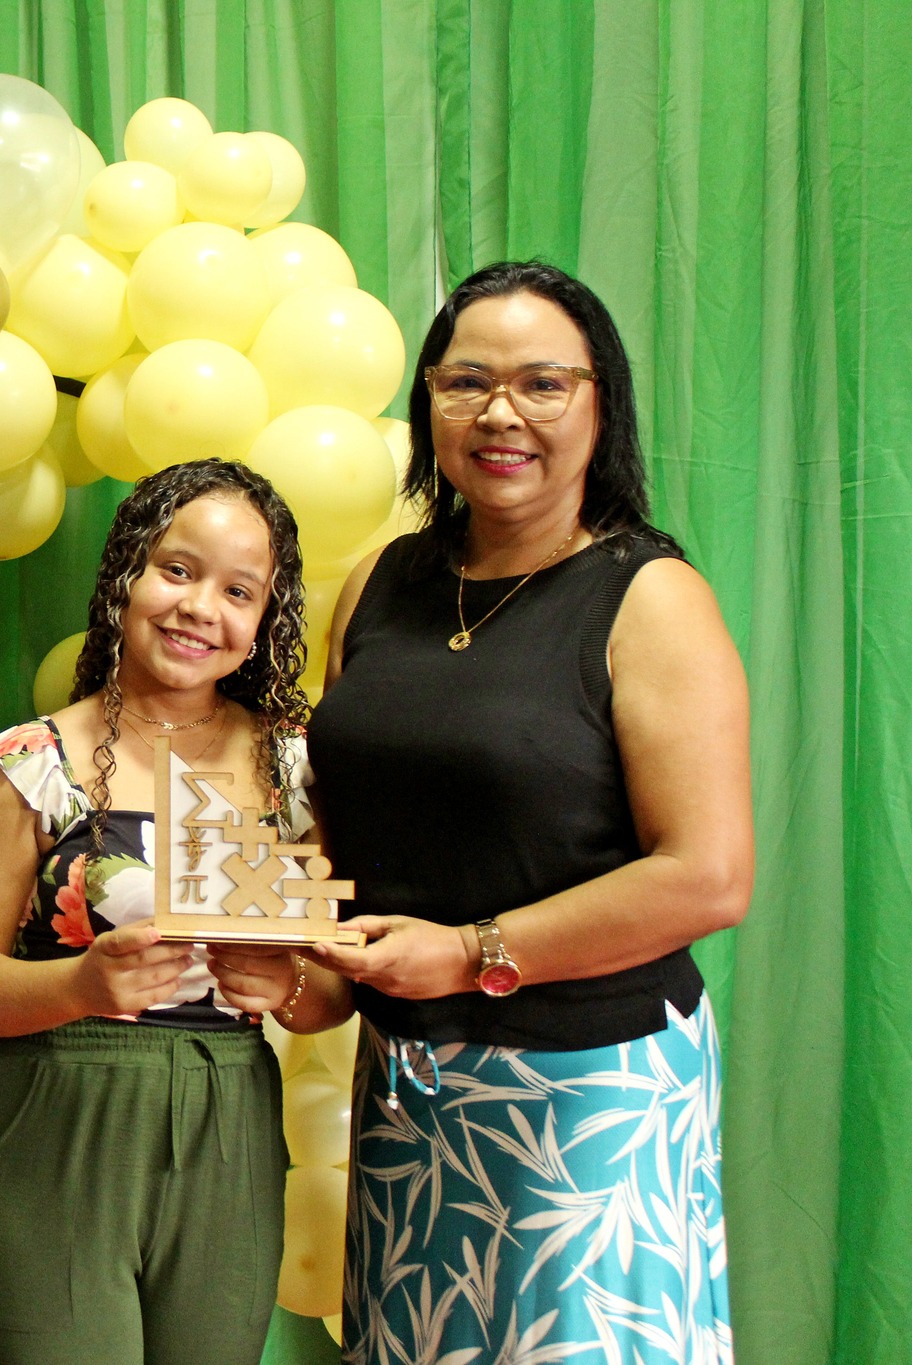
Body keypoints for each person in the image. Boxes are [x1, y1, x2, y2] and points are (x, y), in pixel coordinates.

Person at [302, 260, 750, 1363]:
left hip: (587, 1093)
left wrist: (467, 954)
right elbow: (336, 826)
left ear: (601, 404)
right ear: (428, 401)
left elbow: (706, 876)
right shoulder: (379, 582)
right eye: (466, 383)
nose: (500, 413)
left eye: (542, 384)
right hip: (409, 1089)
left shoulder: (649, 597)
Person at [0, 461, 346, 1365]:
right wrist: (78, 984)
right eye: (177, 570)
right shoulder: (32, 765)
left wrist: (286, 980)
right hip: (51, 1120)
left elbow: (331, 994)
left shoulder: (295, 772)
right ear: (126, 574)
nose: (200, 608)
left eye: (238, 591)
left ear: (265, 621)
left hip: (229, 1127)